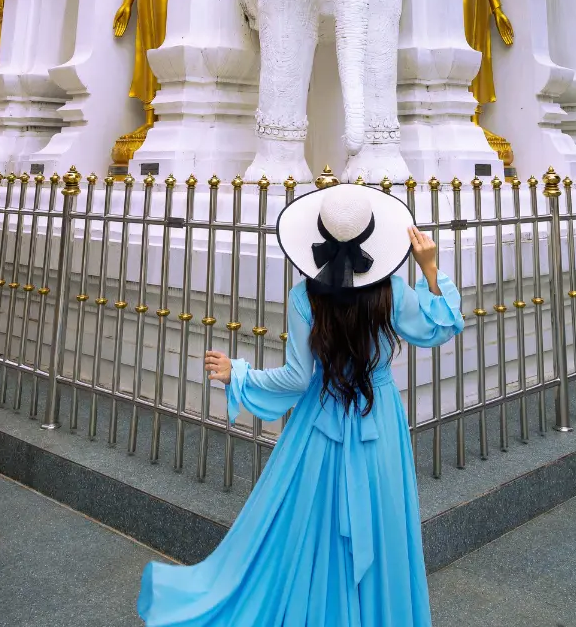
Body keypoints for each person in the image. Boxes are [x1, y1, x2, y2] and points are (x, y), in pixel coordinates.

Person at [137, 182, 464, 626]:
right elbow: (442, 326)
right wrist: (431, 268)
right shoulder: (391, 290)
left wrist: (240, 374)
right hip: (379, 418)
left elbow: (295, 378)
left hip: (321, 418)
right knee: (383, 517)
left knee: (312, 527)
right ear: (371, 237)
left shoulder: (304, 296)